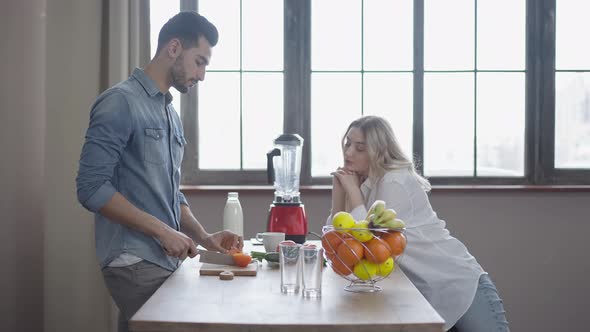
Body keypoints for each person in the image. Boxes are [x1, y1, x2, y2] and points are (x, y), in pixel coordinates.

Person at [76, 12, 242, 332]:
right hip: (134, 260)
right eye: (200, 61)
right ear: (174, 48)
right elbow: (90, 187)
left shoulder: (169, 114)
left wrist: (205, 238)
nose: (202, 75)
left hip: (162, 259)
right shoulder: (119, 102)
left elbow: (169, 192)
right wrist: (162, 231)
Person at [327, 115, 509, 332]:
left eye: (359, 148)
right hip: (430, 294)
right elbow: (339, 243)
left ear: (378, 150)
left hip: (460, 284)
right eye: (347, 143)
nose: (348, 153)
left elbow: (369, 249)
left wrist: (353, 193)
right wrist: (339, 193)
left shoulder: (393, 181)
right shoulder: (365, 183)